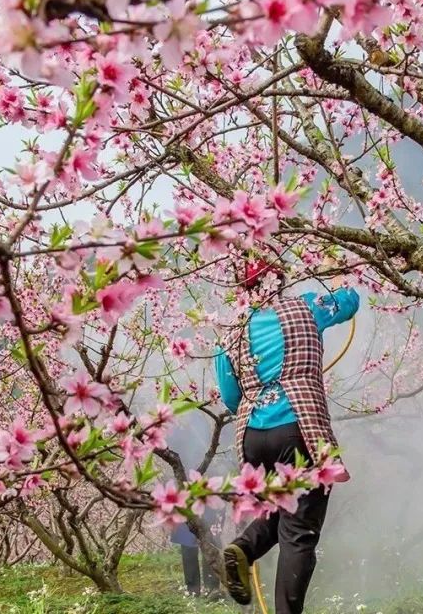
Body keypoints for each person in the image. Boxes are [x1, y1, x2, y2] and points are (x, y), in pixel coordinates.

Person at [214, 257, 358, 614]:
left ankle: (244, 548)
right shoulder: (306, 307)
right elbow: (349, 300)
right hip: (298, 427)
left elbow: (232, 398)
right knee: (300, 533)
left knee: (284, 506)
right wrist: (337, 274)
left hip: (253, 436)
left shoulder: (229, 333)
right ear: (277, 279)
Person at [170, 509, 222, 597]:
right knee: (188, 546)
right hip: (185, 508)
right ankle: (192, 590)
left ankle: (212, 588)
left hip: (207, 506)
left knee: (209, 546)